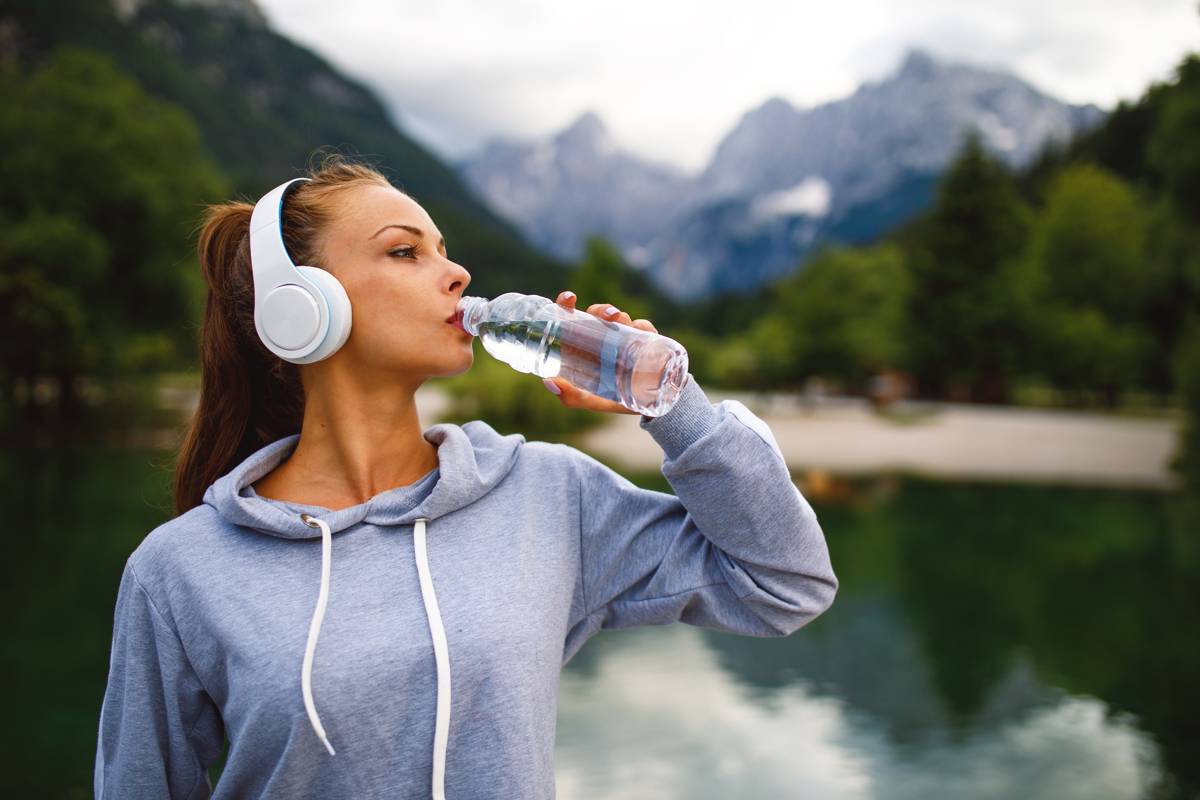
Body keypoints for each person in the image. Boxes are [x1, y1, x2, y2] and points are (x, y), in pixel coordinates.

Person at [93, 154, 838, 799]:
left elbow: (785, 584)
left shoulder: (548, 497)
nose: (458, 273)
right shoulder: (180, 571)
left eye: (443, 248)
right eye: (404, 252)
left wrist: (673, 405)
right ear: (303, 307)